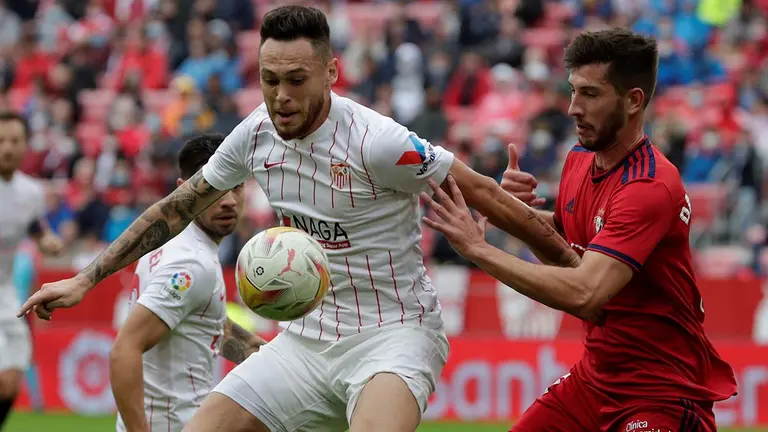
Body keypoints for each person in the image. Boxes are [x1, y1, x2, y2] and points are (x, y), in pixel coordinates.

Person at [18, 6, 579, 432]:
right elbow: (176, 207)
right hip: (303, 340)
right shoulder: (255, 135)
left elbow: (483, 194)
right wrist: (85, 279)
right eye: (269, 79)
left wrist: (574, 270)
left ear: (331, 72)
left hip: (392, 336)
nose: (280, 96)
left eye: (295, 79)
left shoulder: (379, 143)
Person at [420, 28, 737, 432]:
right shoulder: (579, 161)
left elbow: (585, 293)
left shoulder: (648, 186)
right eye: (573, 91)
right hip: (595, 380)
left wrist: (479, 249)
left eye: (590, 94)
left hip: (661, 392)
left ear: (633, 100)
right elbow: (563, 244)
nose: (572, 108)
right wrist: (508, 209)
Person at [110, 134, 266, 432]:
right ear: (184, 189)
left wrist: (264, 354)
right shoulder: (191, 264)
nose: (228, 201)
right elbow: (124, 349)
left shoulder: (173, 243)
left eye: (236, 186)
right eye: (214, 188)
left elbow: (201, 322)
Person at [0, 111, 63, 428]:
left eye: (15, 140)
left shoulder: (31, 193)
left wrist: (48, 242)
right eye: (1, 140)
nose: (8, 148)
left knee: (11, 381)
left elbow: (36, 230)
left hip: (6, 293)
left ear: (25, 145)